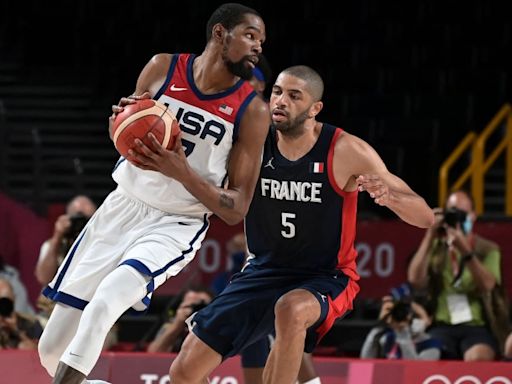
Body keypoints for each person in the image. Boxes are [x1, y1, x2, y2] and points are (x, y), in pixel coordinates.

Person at [37, 3, 269, 384]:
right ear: (219, 33)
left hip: (176, 222)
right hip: (121, 207)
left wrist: (181, 172)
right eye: (250, 35)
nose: (258, 46)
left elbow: (236, 208)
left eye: (261, 40)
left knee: (106, 302)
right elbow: (126, 129)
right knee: (51, 352)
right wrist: (120, 124)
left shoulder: (252, 110)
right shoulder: (162, 67)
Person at [168, 65, 434, 384]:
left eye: (295, 96)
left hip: (326, 277)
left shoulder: (346, 150)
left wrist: (390, 197)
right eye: (277, 92)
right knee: (183, 372)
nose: (281, 101)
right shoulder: (253, 142)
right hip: (263, 271)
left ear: (314, 109)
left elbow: (425, 217)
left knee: (291, 308)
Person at [407, 190, 505, 361]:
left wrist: (464, 249)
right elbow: (415, 280)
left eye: (462, 213)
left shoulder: (488, 249)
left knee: (477, 357)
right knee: (430, 357)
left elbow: (489, 286)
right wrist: (429, 235)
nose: (457, 218)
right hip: (442, 324)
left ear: (473, 216)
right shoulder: (437, 246)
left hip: (477, 325)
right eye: (451, 213)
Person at [35, 195, 97, 286]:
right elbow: (43, 278)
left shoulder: (102, 244)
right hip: (56, 298)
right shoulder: (54, 244)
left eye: (86, 220)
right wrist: (57, 236)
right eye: (77, 219)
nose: (81, 225)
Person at [360, 291, 441, 360]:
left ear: (429, 319)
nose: (408, 319)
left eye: (416, 316)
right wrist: (380, 325)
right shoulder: (387, 338)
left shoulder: (432, 346)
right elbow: (365, 361)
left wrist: (404, 335)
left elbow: (413, 371)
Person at [147, 286, 214, 353]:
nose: (196, 310)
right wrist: (177, 324)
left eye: (202, 306)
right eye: (192, 306)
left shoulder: (217, 326)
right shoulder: (172, 325)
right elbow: (154, 352)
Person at [0, 278, 43, 350]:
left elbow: (38, 352)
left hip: (22, 359)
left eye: (5, 301)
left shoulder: (31, 322)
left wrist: (15, 329)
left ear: (13, 297)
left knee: (23, 346)